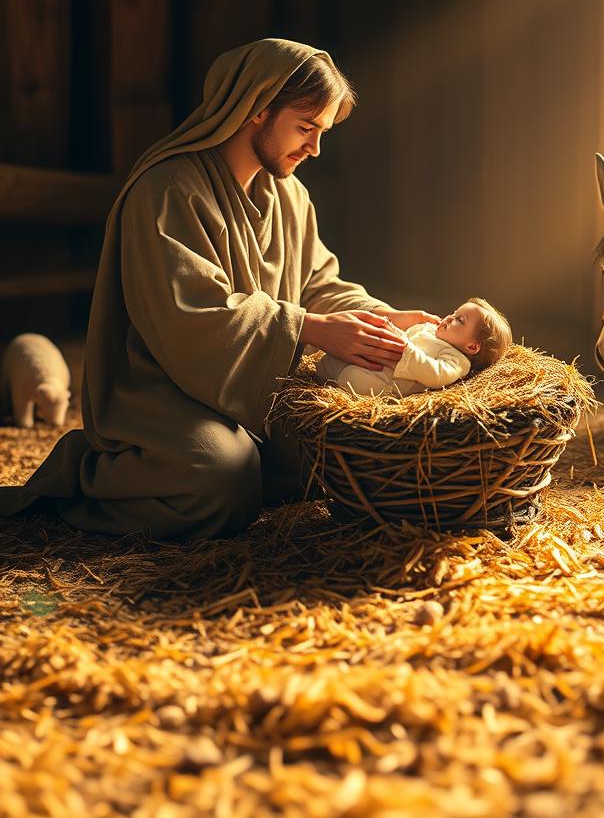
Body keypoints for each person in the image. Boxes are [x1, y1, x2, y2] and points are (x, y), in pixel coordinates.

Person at [0, 39, 436, 541]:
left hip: (254, 388)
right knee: (221, 481)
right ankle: (89, 477)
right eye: (305, 128)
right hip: (162, 392)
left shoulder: (290, 196)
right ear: (255, 108)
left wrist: (383, 319)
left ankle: (241, 463)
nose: (315, 149)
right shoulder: (166, 190)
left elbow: (319, 283)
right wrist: (310, 329)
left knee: (332, 452)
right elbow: (190, 315)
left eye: (323, 133)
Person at [315, 297, 512, 397]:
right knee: (333, 359)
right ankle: (324, 373)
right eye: (454, 312)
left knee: (355, 379)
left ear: (472, 346)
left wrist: (405, 349)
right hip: (377, 358)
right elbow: (407, 332)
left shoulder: (456, 361)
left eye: (460, 320)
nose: (450, 317)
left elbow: (435, 375)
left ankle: (335, 384)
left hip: (389, 380)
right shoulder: (430, 330)